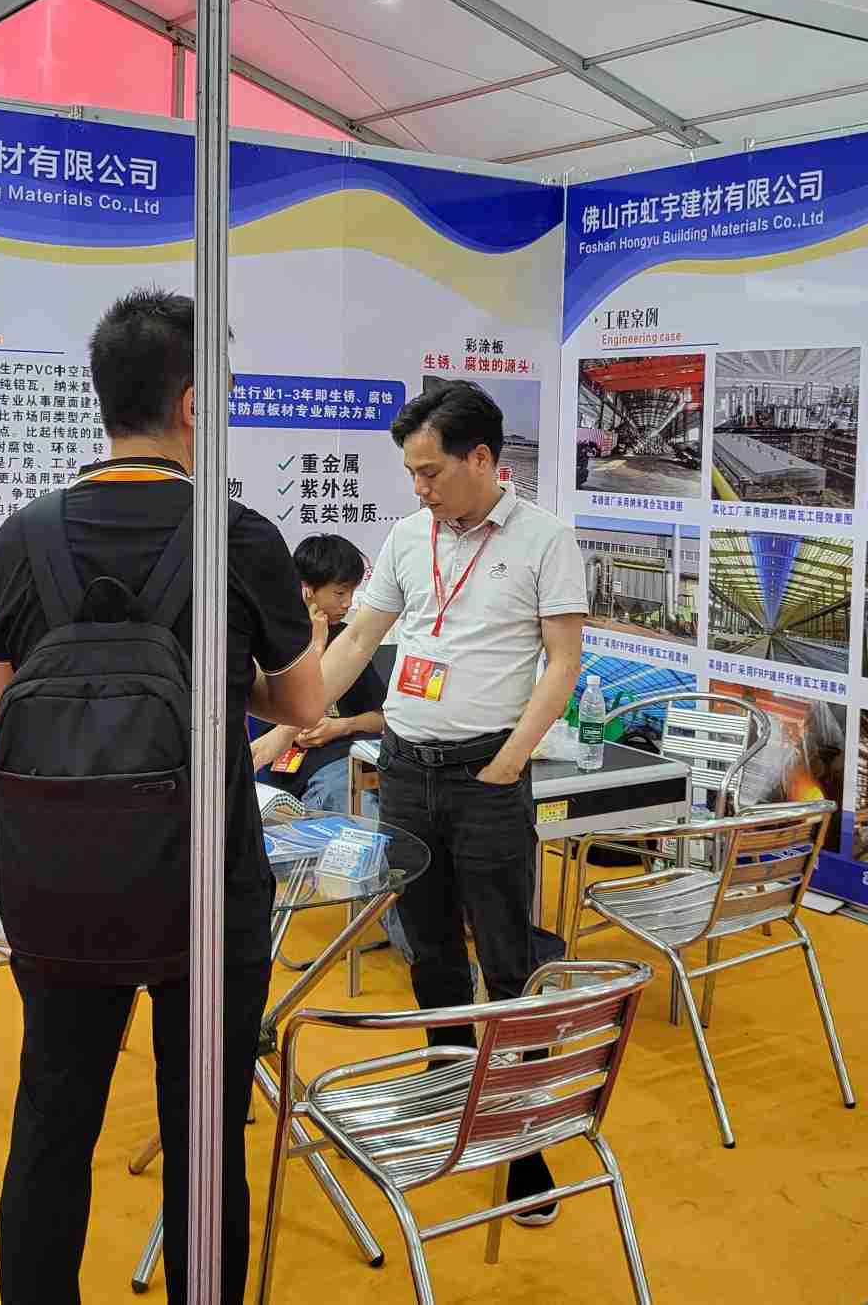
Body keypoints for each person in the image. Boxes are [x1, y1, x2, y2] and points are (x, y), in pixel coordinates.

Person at [0, 288, 325, 1305]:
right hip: (205, 885)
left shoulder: (25, 534)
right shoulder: (240, 536)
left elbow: (5, 684)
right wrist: (218, 681)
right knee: (204, 1134)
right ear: (191, 404)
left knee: (52, 1121)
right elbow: (302, 704)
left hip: (57, 876)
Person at [315, 380, 587, 1224]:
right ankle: (447, 1098)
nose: (419, 487)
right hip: (405, 771)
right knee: (429, 951)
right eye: (411, 472)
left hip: (486, 779)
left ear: (482, 458)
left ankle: (520, 1138)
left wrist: (509, 762)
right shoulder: (408, 536)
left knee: (506, 959)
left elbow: (563, 662)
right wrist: (296, 716)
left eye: (430, 471)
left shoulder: (545, 539)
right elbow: (360, 637)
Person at [251, 533, 409, 957]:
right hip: (301, 778)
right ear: (307, 590)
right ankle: (418, 948)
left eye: (352, 593)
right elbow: (281, 715)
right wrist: (316, 644)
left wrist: (342, 727)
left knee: (404, 824)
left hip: (358, 761)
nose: (347, 603)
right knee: (369, 833)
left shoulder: (348, 642)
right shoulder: (267, 640)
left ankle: (432, 933)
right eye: (340, 593)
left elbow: (382, 718)